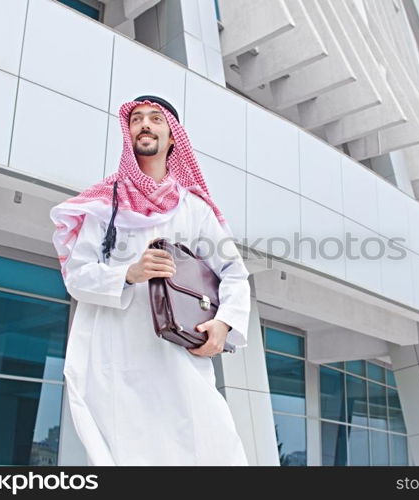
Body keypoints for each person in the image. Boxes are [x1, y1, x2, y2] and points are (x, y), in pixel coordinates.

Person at [49, 95, 251, 465]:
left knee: (213, 447)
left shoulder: (195, 208)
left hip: (178, 356)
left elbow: (234, 274)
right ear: (128, 134)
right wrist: (128, 273)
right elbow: (76, 277)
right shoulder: (101, 205)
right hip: (115, 357)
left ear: (173, 137)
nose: (145, 124)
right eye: (137, 119)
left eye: (156, 119)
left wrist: (223, 325)